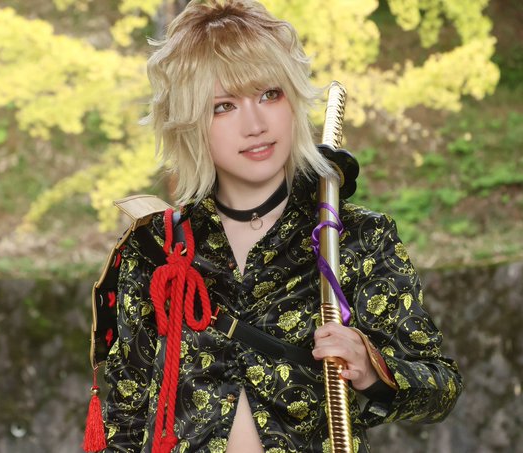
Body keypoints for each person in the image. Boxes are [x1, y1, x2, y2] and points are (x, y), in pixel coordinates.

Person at [100, 1, 462, 452]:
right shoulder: (155, 247)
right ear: (190, 124)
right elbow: (124, 412)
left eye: (270, 94)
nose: (255, 124)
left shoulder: (356, 238)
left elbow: (441, 387)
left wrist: (372, 369)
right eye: (224, 106)